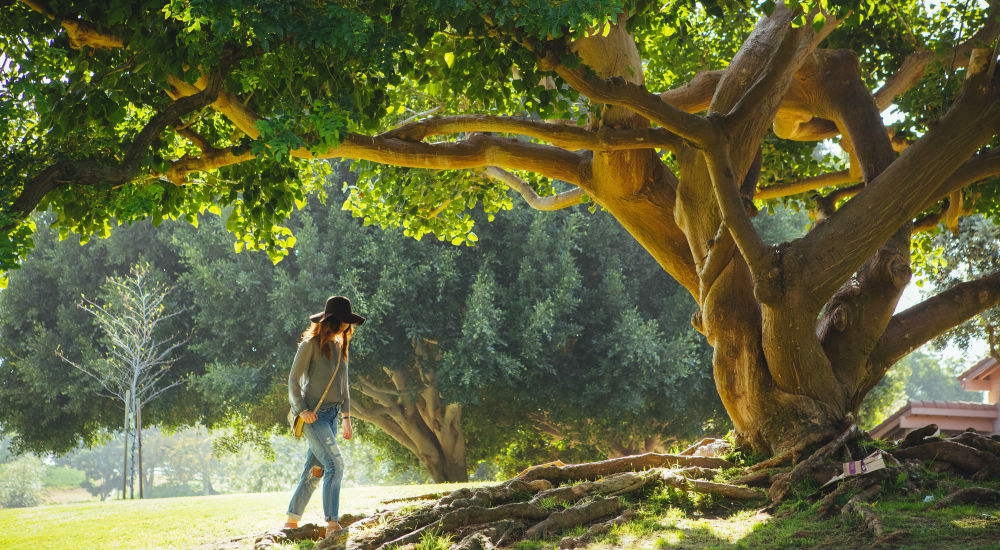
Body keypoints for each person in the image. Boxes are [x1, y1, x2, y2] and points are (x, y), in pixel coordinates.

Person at [284, 296, 365, 536]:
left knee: (315, 470)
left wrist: (347, 418)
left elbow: (345, 386)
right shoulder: (309, 345)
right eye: (343, 322)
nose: (346, 327)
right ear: (332, 320)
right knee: (335, 464)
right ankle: (332, 523)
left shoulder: (342, 347)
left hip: (332, 416)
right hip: (313, 416)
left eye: (347, 324)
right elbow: (293, 380)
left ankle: (291, 519)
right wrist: (302, 409)